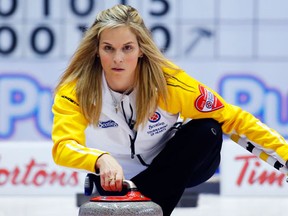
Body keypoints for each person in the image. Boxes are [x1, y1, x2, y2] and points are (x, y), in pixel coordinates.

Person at [51, 4, 288, 216]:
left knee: (208, 130)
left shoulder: (168, 83)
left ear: (141, 49)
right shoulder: (75, 91)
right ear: (96, 50)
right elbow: (63, 147)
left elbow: (235, 119)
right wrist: (100, 159)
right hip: (114, 181)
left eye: (127, 48)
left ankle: (145, 202)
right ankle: (140, 201)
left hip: (173, 169)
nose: (118, 58)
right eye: (108, 48)